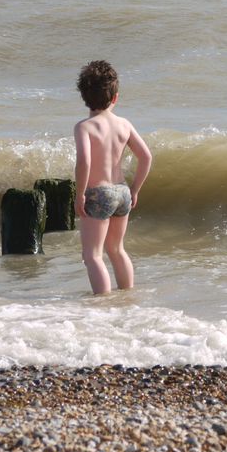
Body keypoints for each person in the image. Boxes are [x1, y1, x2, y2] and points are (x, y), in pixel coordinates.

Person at [74, 60, 153, 294]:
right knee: (117, 249)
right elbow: (146, 157)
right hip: (122, 192)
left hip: (98, 193)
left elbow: (84, 161)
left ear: (84, 97)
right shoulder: (124, 124)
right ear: (115, 97)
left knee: (92, 255)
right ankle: (127, 297)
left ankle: (104, 302)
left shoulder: (85, 127)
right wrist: (135, 189)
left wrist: (80, 194)